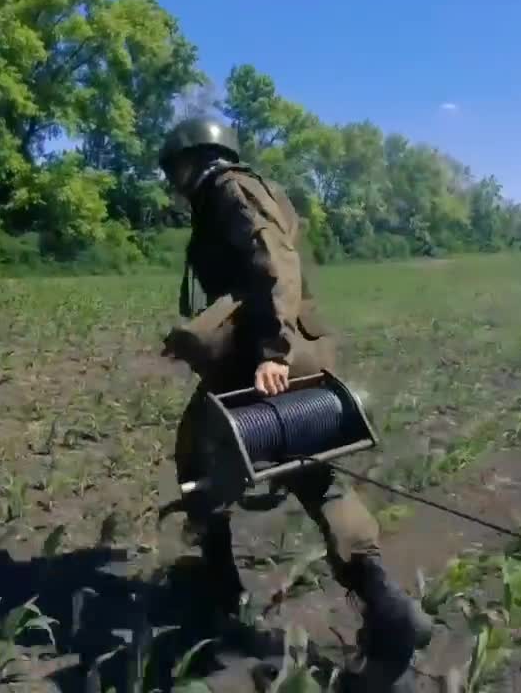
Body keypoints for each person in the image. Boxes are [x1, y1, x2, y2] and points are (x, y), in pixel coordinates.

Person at [157, 116, 433, 689]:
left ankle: (221, 591)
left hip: (267, 359)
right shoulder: (239, 191)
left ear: (194, 158)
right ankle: (386, 602)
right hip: (288, 352)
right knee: (317, 478)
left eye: (175, 169)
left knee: (195, 455)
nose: (174, 181)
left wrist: (272, 352)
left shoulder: (231, 187)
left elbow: (274, 262)